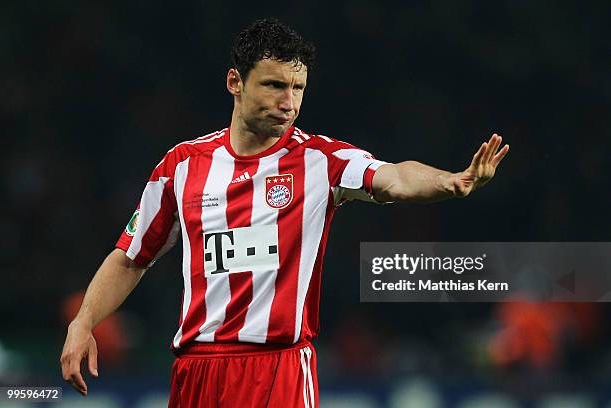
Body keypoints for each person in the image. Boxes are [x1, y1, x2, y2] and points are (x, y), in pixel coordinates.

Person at [60, 18, 509, 407]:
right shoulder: (181, 165)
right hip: (196, 372)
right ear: (235, 82)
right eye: (275, 85)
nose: (289, 102)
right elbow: (130, 256)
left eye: (298, 88)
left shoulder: (321, 161)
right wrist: (83, 323)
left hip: (277, 370)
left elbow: (394, 178)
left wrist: (451, 181)